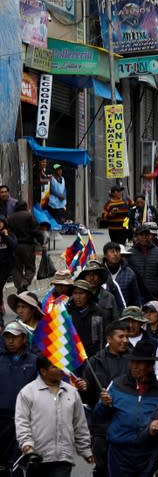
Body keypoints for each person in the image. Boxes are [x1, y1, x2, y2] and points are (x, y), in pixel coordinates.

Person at [94, 340, 158, 477]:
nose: (134, 366)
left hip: (147, 453)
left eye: (140, 363)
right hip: (119, 452)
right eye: (133, 362)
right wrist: (103, 404)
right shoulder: (116, 384)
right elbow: (98, 417)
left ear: (150, 366)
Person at [15, 356, 94, 477]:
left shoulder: (72, 392)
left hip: (63, 459)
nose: (60, 370)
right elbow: (22, 423)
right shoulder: (27, 392)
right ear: (43, 371)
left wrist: (85, 450)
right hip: (36, 459)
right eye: (55, 367)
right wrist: (27, 445)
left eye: (61, 366)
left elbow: (80, 424)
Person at [80, 321, 130, 477]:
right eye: (120, 336)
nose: (125, 340)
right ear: (109, 339)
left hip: (127, 427)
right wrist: (83, 389)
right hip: (102, 429)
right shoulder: (94, 362)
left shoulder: (134, 361)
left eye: (127, 337)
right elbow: (86, 399)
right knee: (103, 470)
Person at [0, 322, 37, 475]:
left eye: (14, 337)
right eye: (7, 337)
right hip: (2, 418)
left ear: (23, 338)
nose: (10, 341)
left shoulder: (34, 361)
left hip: (26, 419)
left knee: (21, 460)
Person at [127, 224, 158, 304]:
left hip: (155, 295)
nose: (144, 237)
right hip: (137, 296)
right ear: (136, 237)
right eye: (141, 235)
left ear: (150, 236)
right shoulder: (130, 253)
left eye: (146, 234)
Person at [7, 201, 38, 292]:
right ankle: (25, 282)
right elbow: (35, 230)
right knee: (30, 268)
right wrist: (41, 240)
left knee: (16, 269)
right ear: (26, 206)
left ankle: (20, 288)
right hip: (27, 246)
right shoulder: (29, 216)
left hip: (14, 246)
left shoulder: (10, 218)